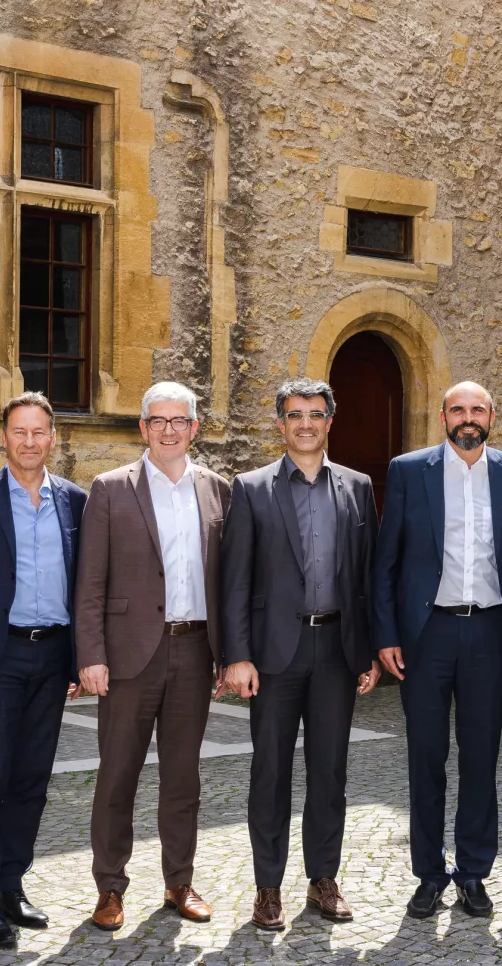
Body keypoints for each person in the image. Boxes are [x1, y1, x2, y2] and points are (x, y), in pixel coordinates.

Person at [218, 379, 382, 931]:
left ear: (330, 421)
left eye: (315, 414)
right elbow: (235, 580)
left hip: (337, 648)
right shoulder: (251, 488)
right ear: (280, 423)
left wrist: (368, 650)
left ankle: (323, 879)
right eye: (295, 414)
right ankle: (268, 887)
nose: (305, 423)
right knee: (270, 771)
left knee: (329, 771)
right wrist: (237, 655)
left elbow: (368, 576)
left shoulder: (358, 487)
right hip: (273, 655)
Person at [371, 381, 502, 920]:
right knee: (426, 757)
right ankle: (428, 874)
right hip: (427, 636)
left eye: (478, 409)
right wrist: (386, 635)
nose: (469, 417)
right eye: (459, 409)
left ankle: (472, 873)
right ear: (443, 416)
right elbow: (386, 560)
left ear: (492, 416)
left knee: (480, 758)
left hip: (489, 633)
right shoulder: (407, 470)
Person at [76, 381, 232, 932]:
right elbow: (90, 581)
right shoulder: (110, 488)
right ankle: (109, 887)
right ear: (143, 427)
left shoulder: (217, 490)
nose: (169, 430)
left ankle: (179, 882)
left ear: (195, 428)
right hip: (127, 656)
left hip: (194, 648)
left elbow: (229, 581)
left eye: (179, 420)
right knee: (117, 776)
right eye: (158, 420)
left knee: (183, 779)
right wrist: (91, 654)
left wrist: (228, 653)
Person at [0, 391, 88, 948]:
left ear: (53, 437)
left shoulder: (74, 500)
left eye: (38, 432)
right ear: (4, 437)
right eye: (19, 431)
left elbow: (85, 585)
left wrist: (79, 657)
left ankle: (11, 884)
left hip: (51, 657)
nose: (29, 442)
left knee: (31, 780)